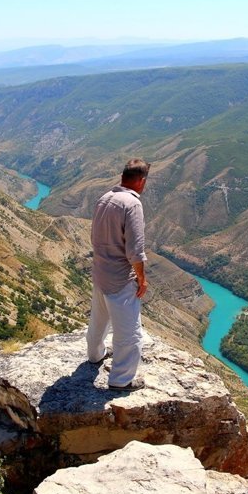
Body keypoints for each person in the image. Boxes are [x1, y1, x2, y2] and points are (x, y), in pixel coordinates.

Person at [86, 158, 150, 390]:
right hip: (120, 278)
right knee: (129, 334)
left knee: (99, 320)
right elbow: (135, 250)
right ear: (141, 181)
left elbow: (94, 237)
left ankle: (95, 355)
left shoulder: (104, 199)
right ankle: (122, 381)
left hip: (100, 271)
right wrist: (141, 279)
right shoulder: (132, 205)